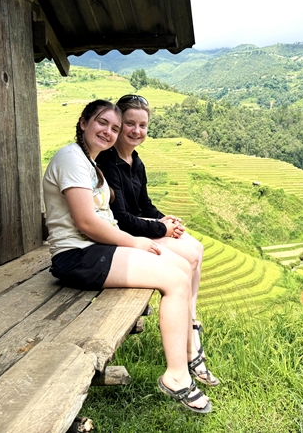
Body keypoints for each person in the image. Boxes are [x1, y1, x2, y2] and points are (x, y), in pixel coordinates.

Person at [43, 100, 212, 414]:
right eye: (102, 123)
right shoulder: (71, 158)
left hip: (95, 250)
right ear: (83, 123)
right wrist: (135, 242)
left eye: (114, 128)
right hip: (78, 256)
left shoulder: (89, 162)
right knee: (174, 279)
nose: (109, 132)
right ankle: (177, 376)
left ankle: (188, 349)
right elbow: (86, 222)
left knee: (179, 264)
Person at [96, 94, 219, 386]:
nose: (136, 131)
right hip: (125, 235)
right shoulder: (109, 162)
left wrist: (167, 220)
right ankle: (189, 342)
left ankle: (191, 320)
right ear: (119, 123)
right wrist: (161, 229)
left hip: (140, 227)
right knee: (188, 257)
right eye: (129, 124)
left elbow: (145, 205)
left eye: (143, 125)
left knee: (197, 248)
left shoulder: (135, 161)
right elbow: (122, 217)